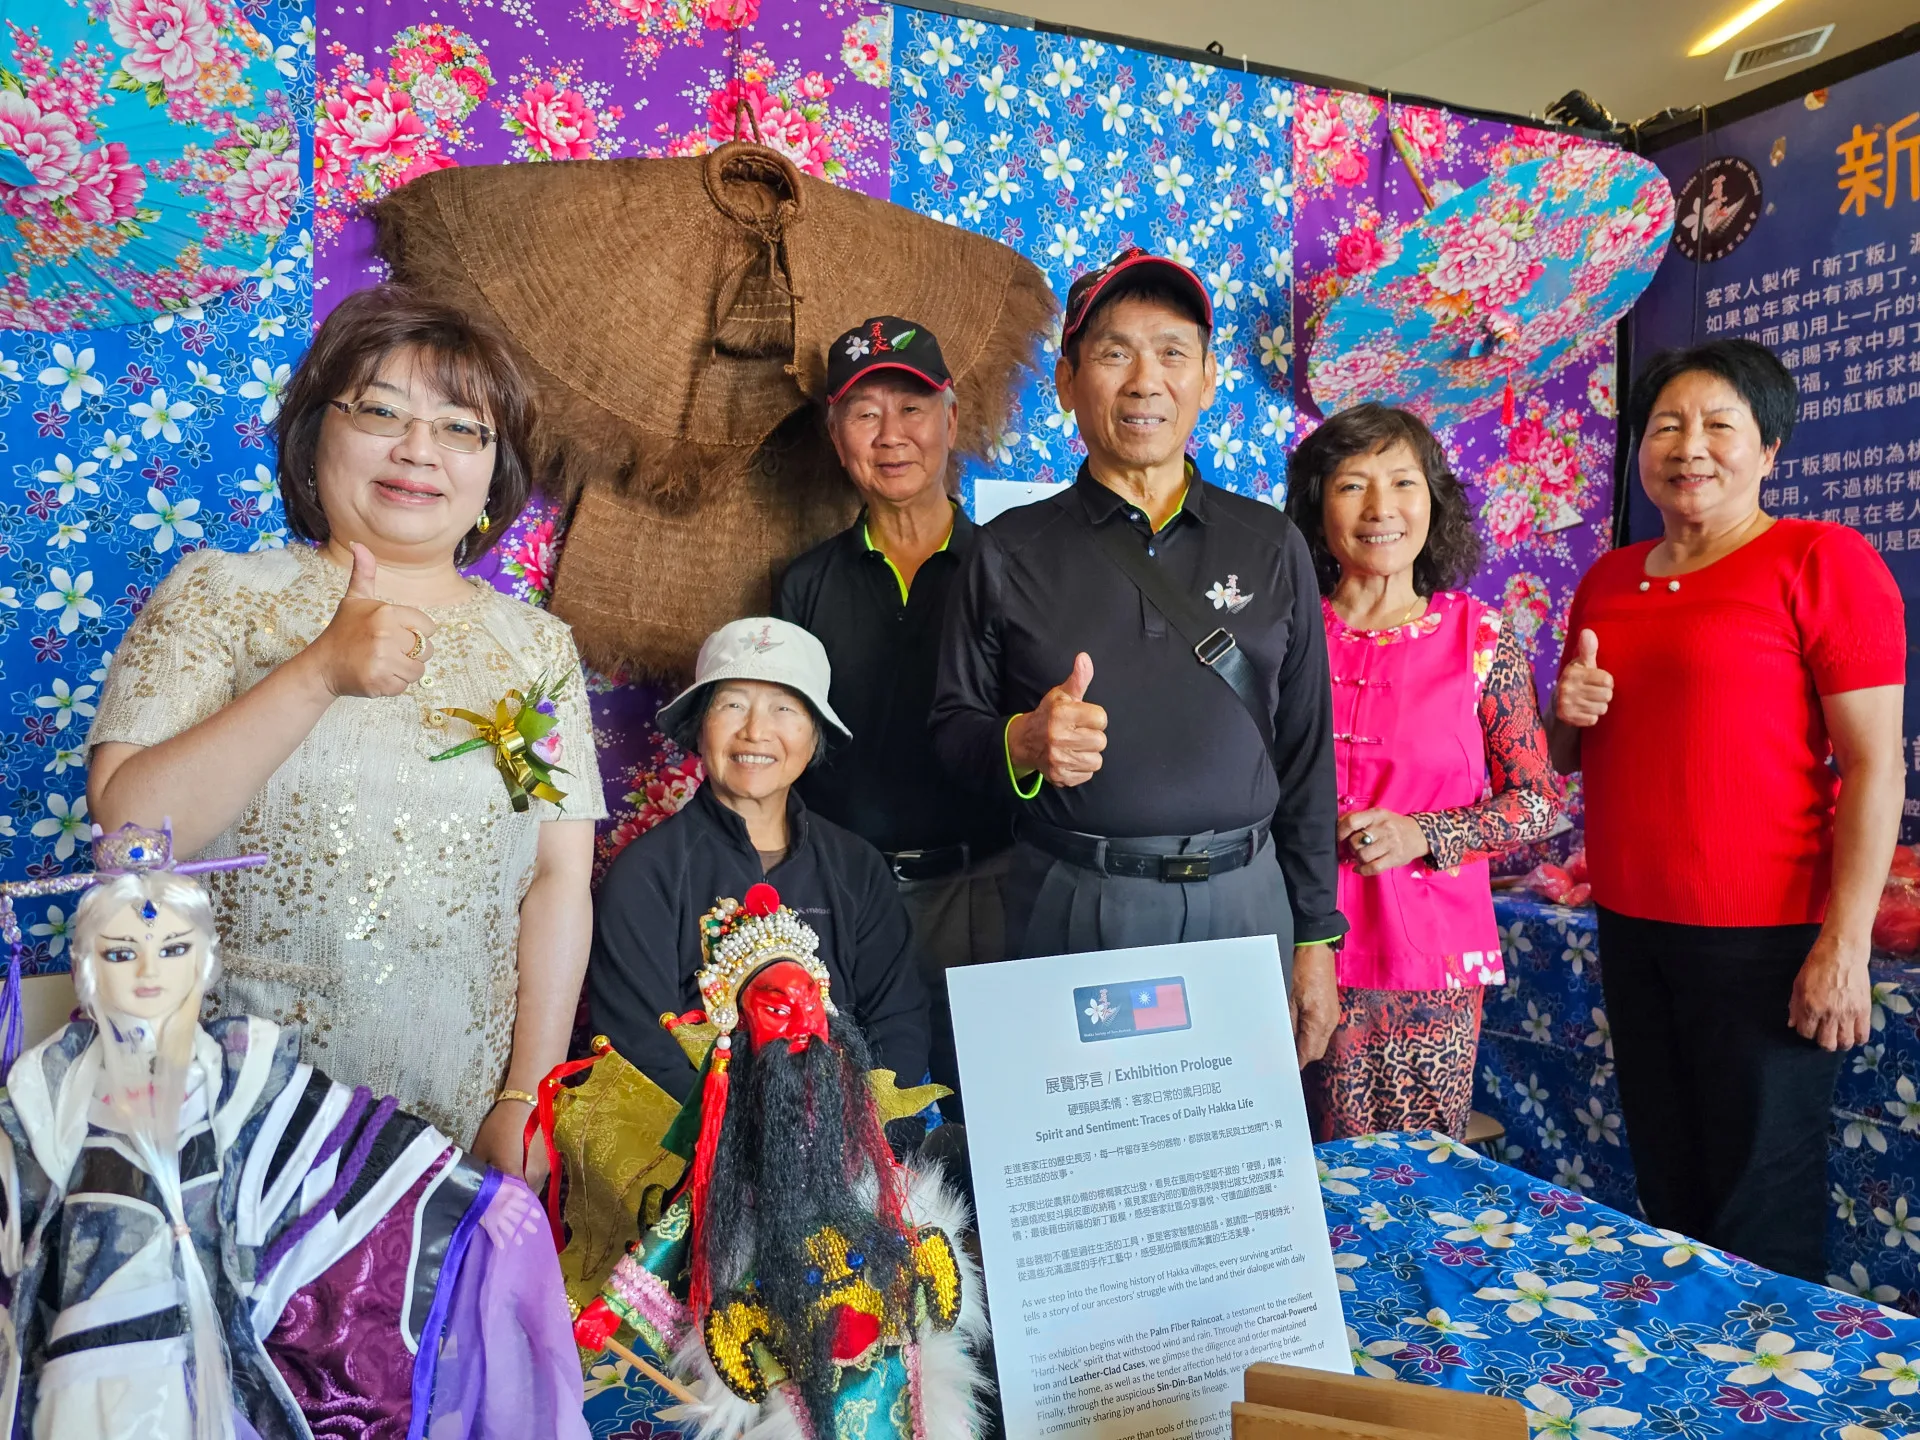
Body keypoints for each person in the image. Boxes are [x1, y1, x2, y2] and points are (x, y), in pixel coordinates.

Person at [84, 285, 605, 1173]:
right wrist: (318, 671)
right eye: (379, 411)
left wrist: (527, 1097)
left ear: (494, 471)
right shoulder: (221, 595)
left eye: (460, 428)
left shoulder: (533, 648)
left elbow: (556, 878)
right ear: (313, 435)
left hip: (456, 1116)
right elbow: (130, 831)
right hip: (228, 1117)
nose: (417, 450)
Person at [0, 823, 586, 1440]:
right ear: (88, 965)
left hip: (199, 1346)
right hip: (80, 1349)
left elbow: (350, 1131)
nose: (149, 973)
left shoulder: (234, 1071)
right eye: (121, 953)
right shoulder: (51, 1088)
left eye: (172, 950)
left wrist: (473, 1191)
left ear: (203, 960)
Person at [931, 247, 1345, 1064]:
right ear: (1067, 382)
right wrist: (1022, 741)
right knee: (1085, 1135)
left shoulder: (1271, 543)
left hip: (1246, 906)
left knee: (1235, 1135)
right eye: (1115, 353)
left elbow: (1306, 755)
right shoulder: (1007, 550)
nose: (1145, 381)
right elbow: (949, 727)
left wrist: (1314, 937)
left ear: (1209, 379)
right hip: (1079, 904)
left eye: (1172, 353)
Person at [1551, 338, 1905, 1281]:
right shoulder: (1609, 580)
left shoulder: (1820, 560)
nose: (1689, 446)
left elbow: (1876, 766)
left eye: (1719, 424)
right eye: (1667, 425)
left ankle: (1775, 1371)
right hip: (1632, 926)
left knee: (1760, 1204)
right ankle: (1683, 1367)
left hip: (1766, 939)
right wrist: (1564, 714)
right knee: (1669, 1186)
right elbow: (1566, 756)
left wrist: (1845, 944)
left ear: (1769, 448)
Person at [574, 884, 988, 1440]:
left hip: (877, 1300)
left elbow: (888, 1182)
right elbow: (684, 1225)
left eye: (809, 1001)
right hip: (781, 1307)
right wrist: (611, 1307)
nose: (800, 1021)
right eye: (776, 1008)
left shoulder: (845, 1101)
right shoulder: (736, 1136)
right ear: (743, 1028)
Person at [1284, 403, 1562, 1140]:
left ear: (1433, 501)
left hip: (1424, 968)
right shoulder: (1284, 634)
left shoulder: (1482, 641)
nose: (1381, 508)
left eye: (1403, 482)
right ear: (1317, 507)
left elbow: (1538, 802)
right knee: (1279, 1171)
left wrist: (1423, 833)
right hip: (1285, 948)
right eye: (1352, 485)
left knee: (1407, 1177)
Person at [776, 317, 1009, 1116]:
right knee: (866, 1127)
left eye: (911, 409)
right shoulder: (804, 586)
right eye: (865, 413)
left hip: (988, 889)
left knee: (998, 1121)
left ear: (951, 418)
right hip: (852, 897)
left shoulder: (1011, 568)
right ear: (835, 434)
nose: (891, 435)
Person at [588, 617, 931, 1104]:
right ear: (700, 727)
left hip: (849, 1134)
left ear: (814, 736)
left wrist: (851, 1127)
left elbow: (899, 1024)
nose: (755, 731)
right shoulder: (647, 874)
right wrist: (741, 1137)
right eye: (732, 705)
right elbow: (639, 1053)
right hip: (691, 1140)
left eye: (784, 708)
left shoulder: (858, 869)